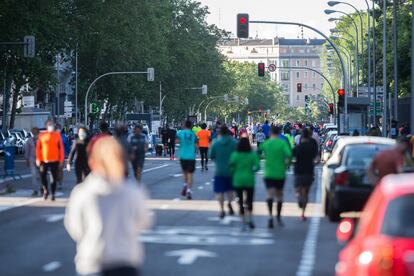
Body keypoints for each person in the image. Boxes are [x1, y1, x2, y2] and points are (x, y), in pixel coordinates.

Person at [64, 136, 152, 276]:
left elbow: (75, 227)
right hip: (126, 259)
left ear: (92, 162)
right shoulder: (133, 191)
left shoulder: (82, 193)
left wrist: (91, 236)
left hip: (92, 259)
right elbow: (143, 222)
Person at [260, 126, 292, 228]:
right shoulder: (282, 143)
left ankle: (270, 216)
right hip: (280, 173)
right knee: (279, 195)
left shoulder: (266, 143)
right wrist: (287, 164)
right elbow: (289, 155)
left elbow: (257, 153)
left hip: (268, 173)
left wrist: (263, 158)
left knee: (269, 195)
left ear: (270, 132)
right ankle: (278, 217)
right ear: (279, 133)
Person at [230, 137, 260, 231]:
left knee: (240, 202)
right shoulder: (252, 155)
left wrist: (234, 172)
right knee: (250, 200)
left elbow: (231, 166)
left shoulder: (235, 154)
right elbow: (258, 167)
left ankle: (243, 223)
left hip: (238, 180)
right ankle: (250, 219)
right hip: (249, 179)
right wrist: (252, 171)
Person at [209, 126, 237, 219]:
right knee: (230, 190)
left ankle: (221, 210)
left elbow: (211, 156)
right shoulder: (234, 143)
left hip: (219, 171)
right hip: (231, 171)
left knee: (219, 191)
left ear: (219, 133)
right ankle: (229, 203)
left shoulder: (216, 143)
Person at [293, 128, 318, 221]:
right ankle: (303, 213)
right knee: (306, 193)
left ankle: (298, 196)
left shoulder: (298, 147)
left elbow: (292, 156)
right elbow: (316, 158)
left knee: (298, 189)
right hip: (309, 172)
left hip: (298, 172)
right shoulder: (312, 147)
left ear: (301, 136)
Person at [36, 120, 64, 201]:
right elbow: (38, 148)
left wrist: (61, 160)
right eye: (49, 125)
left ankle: (53, 193)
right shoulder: (42, 135)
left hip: (55, 160)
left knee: (53, 178)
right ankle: (45, 190)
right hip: (43, 160)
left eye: (52, 124)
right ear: (46, 126)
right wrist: (38, 159)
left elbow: (61, 148)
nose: (51, 126)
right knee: (42, 176)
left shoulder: (57, 135)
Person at [176, 120, 197, 200]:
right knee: (190, 174)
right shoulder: (193, 134)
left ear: (184, 125)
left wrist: (182, 143)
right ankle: (189, 190)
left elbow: (177, 141)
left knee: (184, 172)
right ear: (191, 126)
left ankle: (185, 184)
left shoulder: (180, 133)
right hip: (191, 156)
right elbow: (196, 145)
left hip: (183, 156)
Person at [25, 127, 40, 196]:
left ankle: (42, 187)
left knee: (40, 175)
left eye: (35, 131)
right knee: (34, 175)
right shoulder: (29, 140)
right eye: (33, 131)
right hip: (32, 160)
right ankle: (35, 190)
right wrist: (27, 159)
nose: (34, 133)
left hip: (40, 160)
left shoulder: (41, 140)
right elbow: (27, 150)